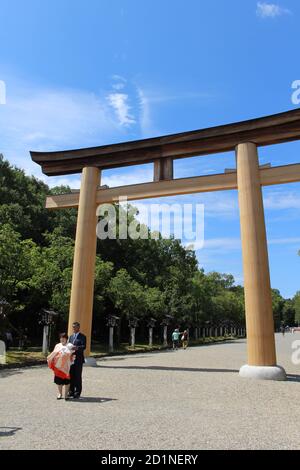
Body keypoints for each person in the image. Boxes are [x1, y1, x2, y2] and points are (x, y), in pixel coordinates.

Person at [47, 333, 75, 400]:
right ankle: (60, 393)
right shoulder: (57, 345)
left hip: (67, 366)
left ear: (66, 339)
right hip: (58, 367)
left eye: (63, 338)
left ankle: (66, 395)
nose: (62, 339)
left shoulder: (69, 345)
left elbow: (73, 352)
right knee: (59, 381)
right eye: (61, 338)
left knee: (67, 381)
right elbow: (54, 353)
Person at [68, 322, 86, 399]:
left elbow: (83, 346)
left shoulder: (82, 337)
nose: (73, 328)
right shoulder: (71, 337)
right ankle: (71, 391)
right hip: (71, 359)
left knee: (78, 376)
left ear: (78, 327)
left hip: (78, 359)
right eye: (73, 327)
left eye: (75, 327)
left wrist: (77, 348)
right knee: (71, 375)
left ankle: (77, 392)